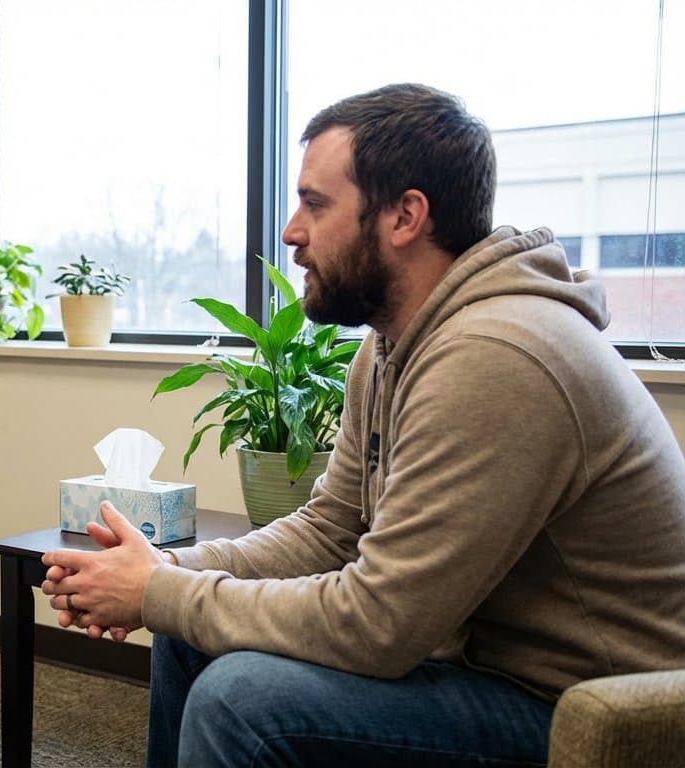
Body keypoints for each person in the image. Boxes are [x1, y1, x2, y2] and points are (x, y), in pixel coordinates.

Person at [42, 83, 685, 768]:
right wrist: (166, 569)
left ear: (405, 216)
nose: (291, 231)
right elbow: (330, 530)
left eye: (315, 204)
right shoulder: (391, 345)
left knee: (240, 699)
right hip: (483, 667)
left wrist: (161, 591)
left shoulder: (499, 355)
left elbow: (380, 624)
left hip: (589, 708)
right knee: (191, 630)